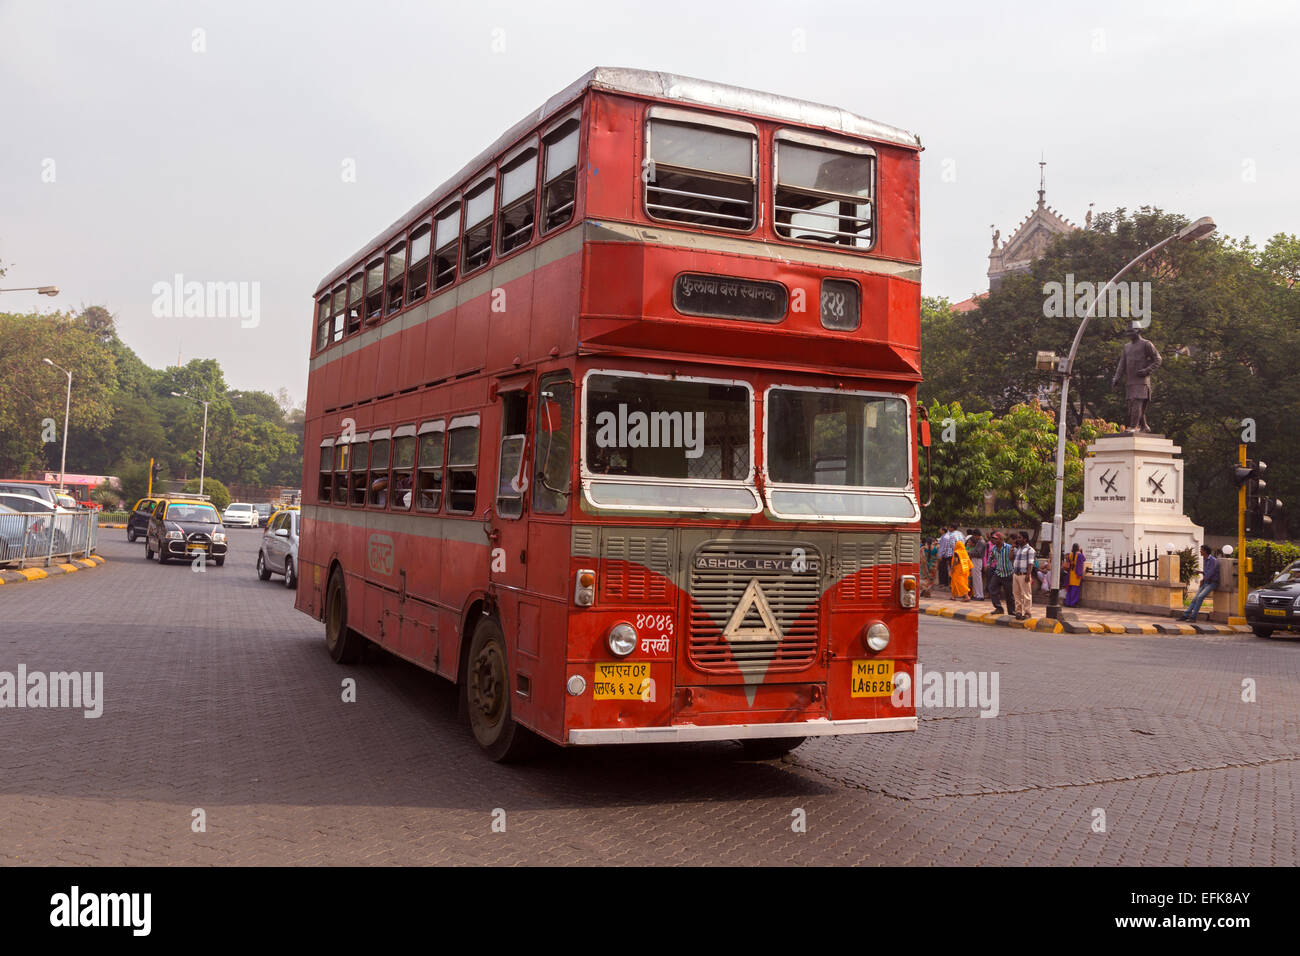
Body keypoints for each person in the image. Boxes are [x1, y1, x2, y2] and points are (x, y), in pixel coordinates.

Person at [1179, 545, 1219, 622]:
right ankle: (1186, 615)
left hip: (1212, 583)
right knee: (1195, 599)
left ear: (1205, 551)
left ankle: (1193, 617)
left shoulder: (1213, 560)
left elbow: (1211, 573)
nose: (1200, 551)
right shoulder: (1205, 559)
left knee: (1200, 597)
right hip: (1206, 582)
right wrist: (1201, 573)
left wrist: (1203, 580)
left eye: (1201, 550)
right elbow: (1207, 572)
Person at [990, 532, 1015, 615]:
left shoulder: (1008, 547)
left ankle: (1011, 611)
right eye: (993, 538)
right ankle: (998, 608)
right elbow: (991, 557)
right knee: (992, 589)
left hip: (1008, 573)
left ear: (1001, 539)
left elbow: (1015, 556)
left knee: (1009, 594)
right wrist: (988, 564)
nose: (993, 540)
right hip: (998, 572)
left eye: (995, 538)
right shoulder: (994, 548)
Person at [1012, 534, 1036, 620]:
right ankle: (1018, 611)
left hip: (1024, 574)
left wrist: (1028, 574)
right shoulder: (1018, 549)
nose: (1017, 539)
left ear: (1025, 539)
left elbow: (1030, 563)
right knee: (1016, 594)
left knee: (1026, 594)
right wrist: (1012, 547)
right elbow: (1011, 558)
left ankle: (1027, 612)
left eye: (1020, 537)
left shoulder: (1030, 550)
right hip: (1016, 574)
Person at [966, 530, 987, 600]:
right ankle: (977, 594)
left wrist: (969, 552)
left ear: (977, 535)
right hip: (976, 560)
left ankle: (979, 595)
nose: (974, 537)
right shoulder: (980, 542)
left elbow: (978, 553)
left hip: (977, 560)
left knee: (977, 578)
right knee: (976, 578)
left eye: (974, 536)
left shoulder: (981, 542)